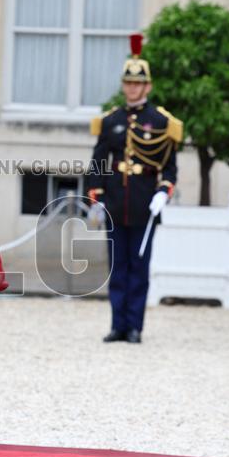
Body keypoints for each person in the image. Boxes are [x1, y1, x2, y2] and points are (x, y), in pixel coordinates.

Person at [86, 34, 182, 344]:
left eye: (138, 84)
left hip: (144, 205)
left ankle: (135, 326)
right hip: (115, 203)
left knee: (139, 269)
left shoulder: (160, 121)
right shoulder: (111, 120)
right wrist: (96, 198)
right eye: (128, 83)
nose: (132, 88)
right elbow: (98, 162)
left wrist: (162, 193)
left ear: (147, 86)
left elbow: (169, 167)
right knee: (117, 267)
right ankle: (118, 325)